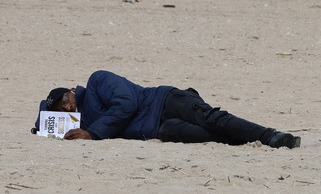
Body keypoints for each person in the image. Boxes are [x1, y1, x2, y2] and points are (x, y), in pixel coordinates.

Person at [33, 70, 301, 148]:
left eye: (65, 98)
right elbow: (42, 122)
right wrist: (43, 124)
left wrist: (93, 133)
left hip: (164, 100)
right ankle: (252, 140)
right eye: (61, 108)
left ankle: (270, 136)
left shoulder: (97, 80)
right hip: (157, 129)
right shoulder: (82, 124)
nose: (67, 105)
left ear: (72, 89)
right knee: (209, 134)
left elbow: (127, 103)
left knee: (211, 118)